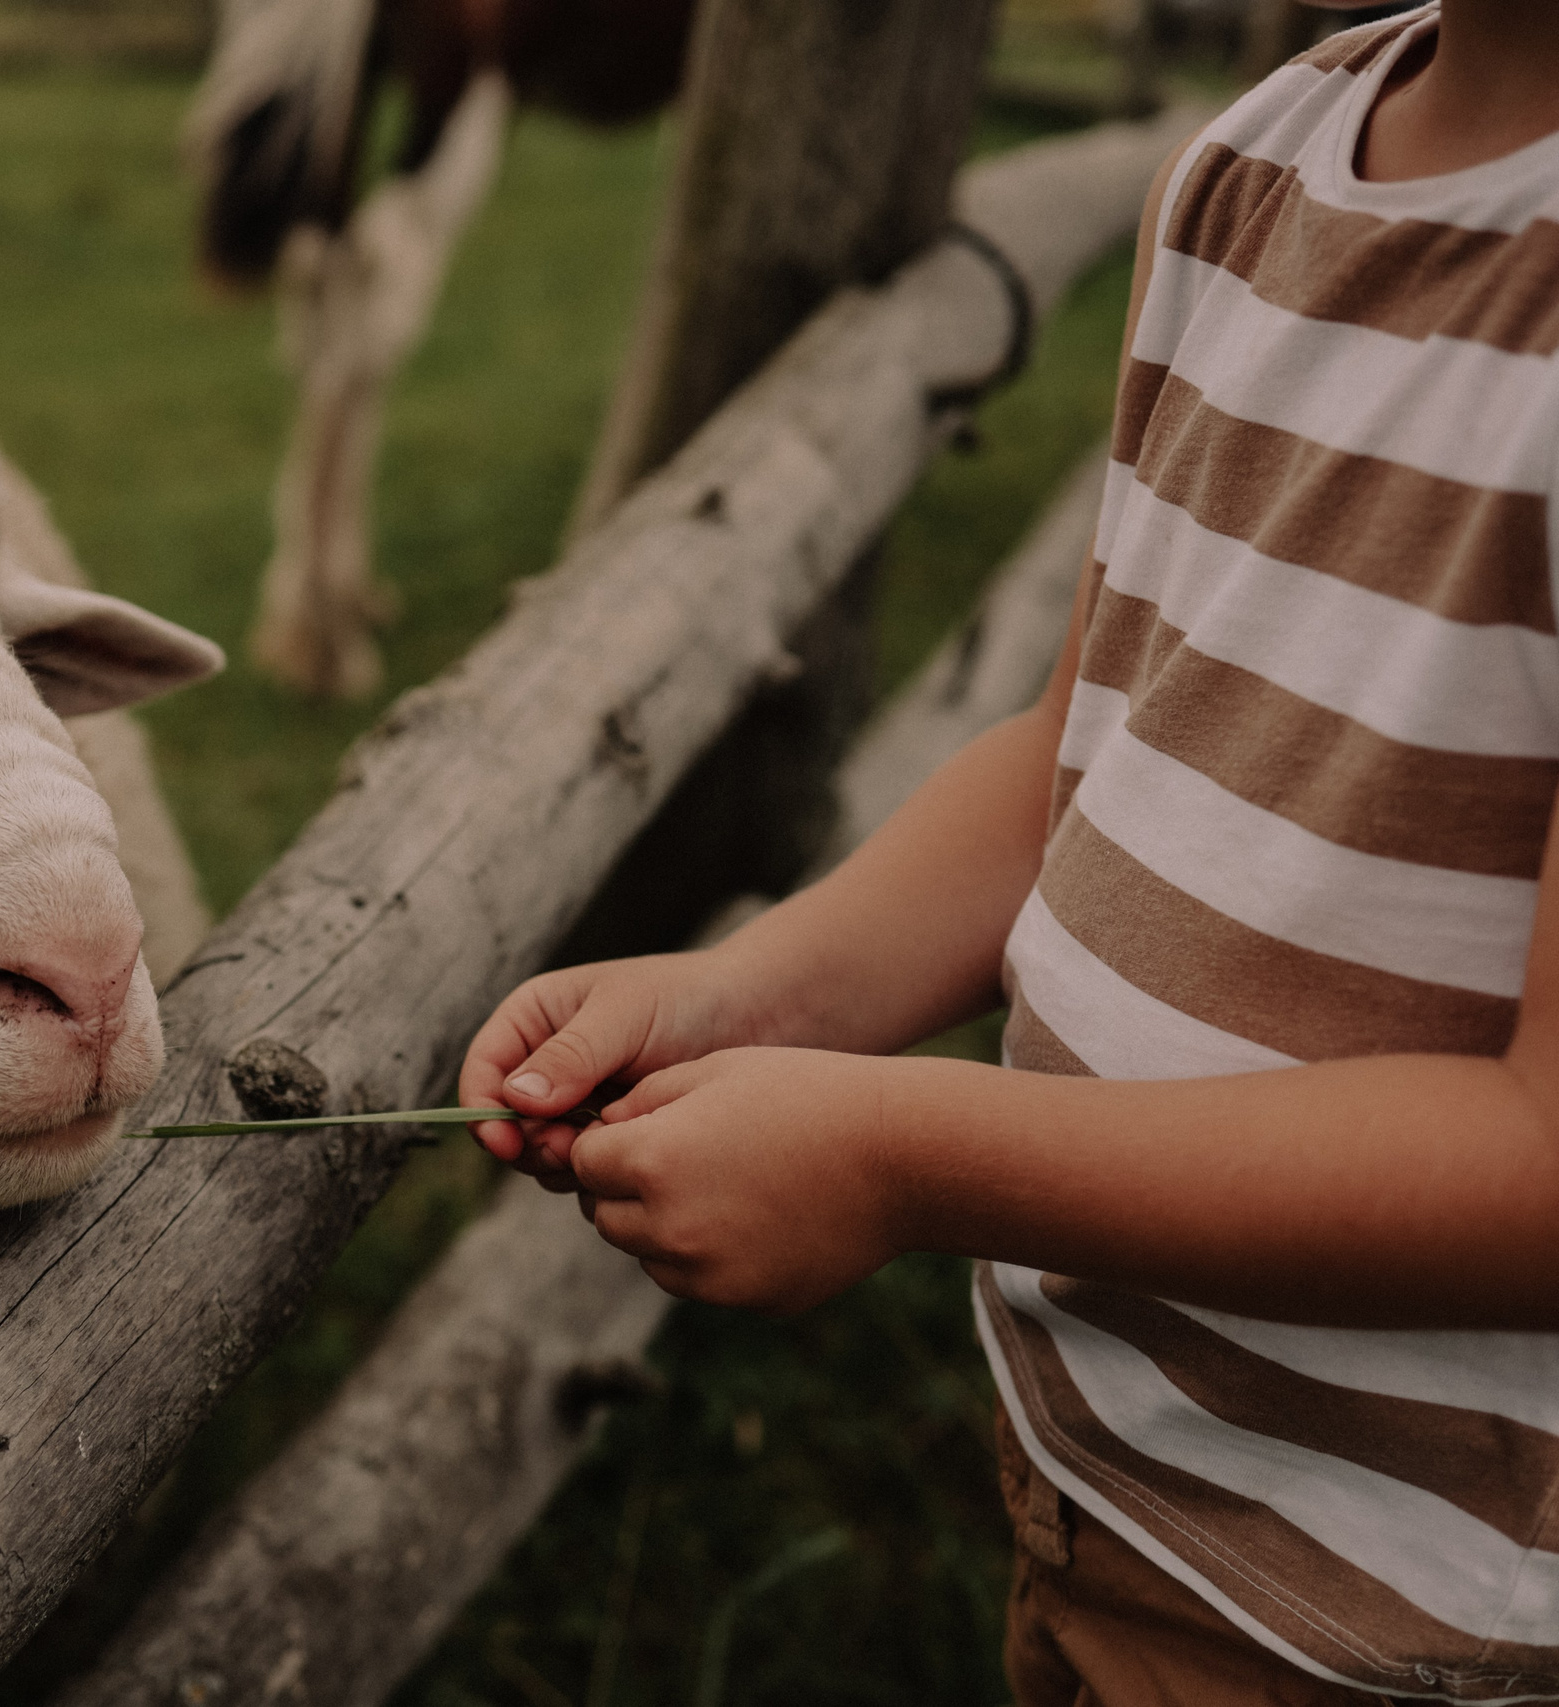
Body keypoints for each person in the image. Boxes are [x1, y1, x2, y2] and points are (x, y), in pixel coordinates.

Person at [459, 3, 1559, 1700]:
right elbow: (1080, 751)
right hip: (1103, 1477)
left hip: (1407, 1608)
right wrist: (755, 998)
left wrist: (911, 1158)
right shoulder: (1254, 168)